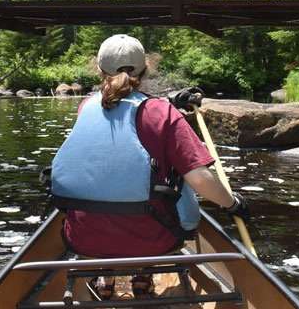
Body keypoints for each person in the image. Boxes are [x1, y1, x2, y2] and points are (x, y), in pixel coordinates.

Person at [50, 34, 249, 297]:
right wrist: (233, 203)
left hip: (84, 237)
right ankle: (143, 274)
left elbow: (123, 114)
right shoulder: (164, 114)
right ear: (145, 68)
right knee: (174, 182)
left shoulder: (86, 107)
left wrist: (168, 104)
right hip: (154, 240)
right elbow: (200, 179)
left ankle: (103, 275)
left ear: (99, 69)